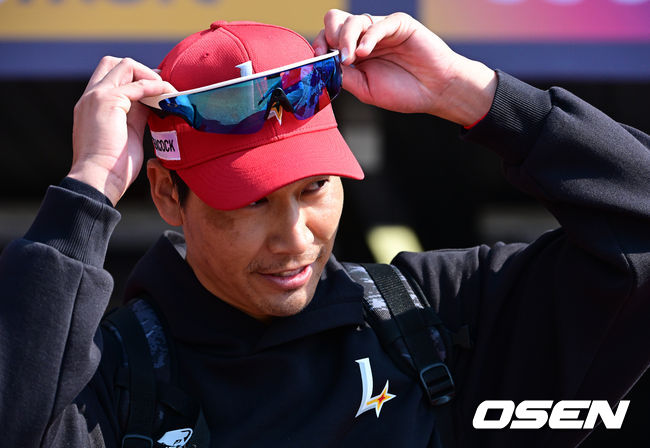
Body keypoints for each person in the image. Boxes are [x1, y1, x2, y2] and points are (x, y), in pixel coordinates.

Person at [1, 8, 649, 448]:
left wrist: (470, 91)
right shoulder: (112, 381)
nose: (295, 237)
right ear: (170, 195)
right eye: (250, 201)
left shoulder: (434, 319)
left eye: (314, 188)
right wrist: (89, 185)